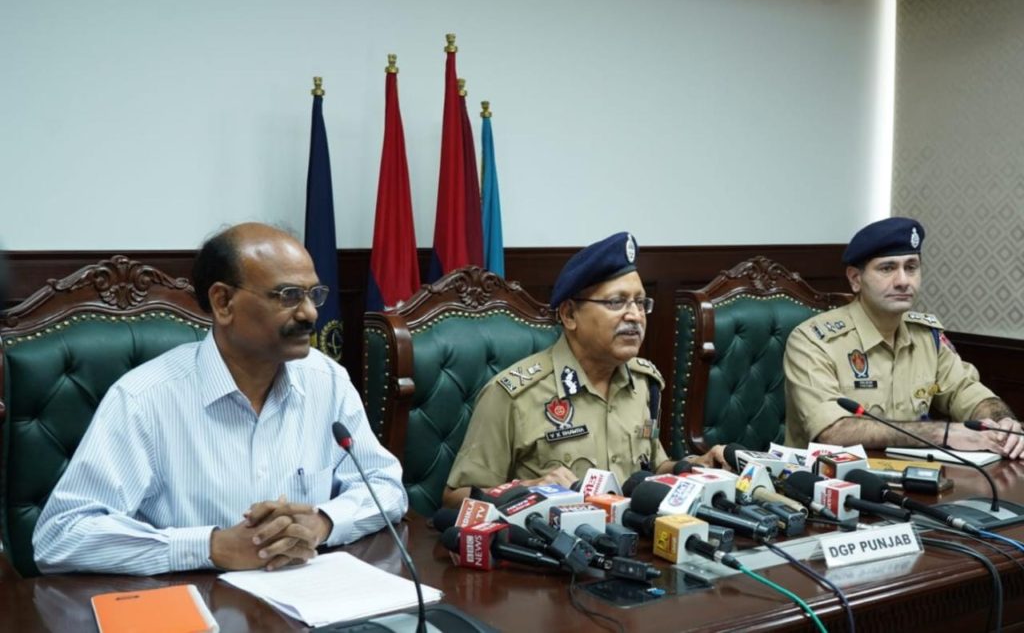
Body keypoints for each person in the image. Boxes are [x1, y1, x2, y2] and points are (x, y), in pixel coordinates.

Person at [33, 223, 407, 575]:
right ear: (223, 302)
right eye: (289, 295)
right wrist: (211, 547)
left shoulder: (327, 381)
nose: (310, 313)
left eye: (314, 294)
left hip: (309, 597)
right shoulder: (144, 399)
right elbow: (61, 535)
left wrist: (323, 521)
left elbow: (386, 486)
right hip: (192, 602)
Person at [442, 232, 727, 508]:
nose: (635, 316)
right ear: (569, 315)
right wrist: (531, 489)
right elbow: (454, 499)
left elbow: (653, 467)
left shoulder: (643, 382)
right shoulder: (513, 395)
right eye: (616, 302)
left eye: (640, 302)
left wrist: (693, 467)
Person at [784, 217, 1023, 458]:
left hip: (911, 473)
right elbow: (833, 431)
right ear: (856, 279)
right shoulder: (813, 340)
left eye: (911, 267)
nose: (903, 281)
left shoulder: (927, 336)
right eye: (887, 268)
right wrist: (942, 433)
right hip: (828, 475)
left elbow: (967, 391)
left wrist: (1002, 423)